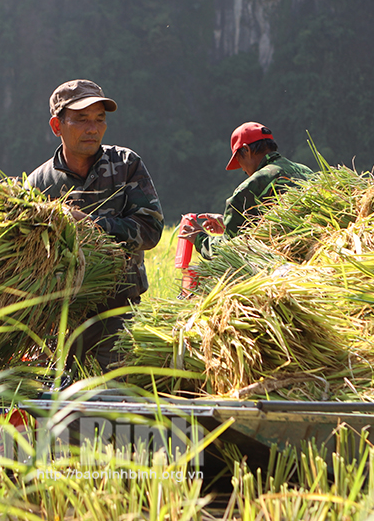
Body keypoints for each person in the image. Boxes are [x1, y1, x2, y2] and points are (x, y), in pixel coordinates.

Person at [26, 79, 164, 370]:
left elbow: (150, 230)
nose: (93, 128)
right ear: (57, 126)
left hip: (118, 312)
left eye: (99, 120)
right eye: (81, 119)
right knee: (56, 401)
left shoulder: (126, 165)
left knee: (119, 401)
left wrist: (89, 224)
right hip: (60, 319)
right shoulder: (39, 184)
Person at [185, 122, 312, 259]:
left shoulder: (253, 185)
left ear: (246, 150)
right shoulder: (305, 171)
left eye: (239, 161)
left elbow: (228, 251)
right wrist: (227, 223)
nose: (243, 170)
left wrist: (199, 238)